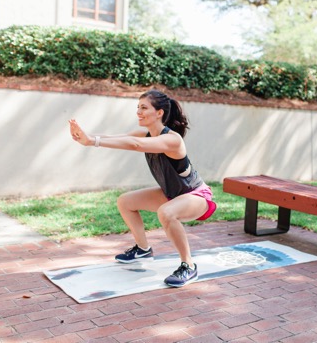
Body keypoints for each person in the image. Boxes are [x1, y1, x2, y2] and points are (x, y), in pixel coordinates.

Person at [68, 89, 217, 287]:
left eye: (144, 107)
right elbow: (119, 138)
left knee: (166, 212)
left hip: (196, 196)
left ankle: (188, 266)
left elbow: (136, 145)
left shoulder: (172, 139)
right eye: (138, 107)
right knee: (126, 201)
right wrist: (86, 138)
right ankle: (143, 249)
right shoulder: (144, 133)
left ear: (159, 113)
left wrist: (92, 141)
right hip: (172, 194)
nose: (138, 111)